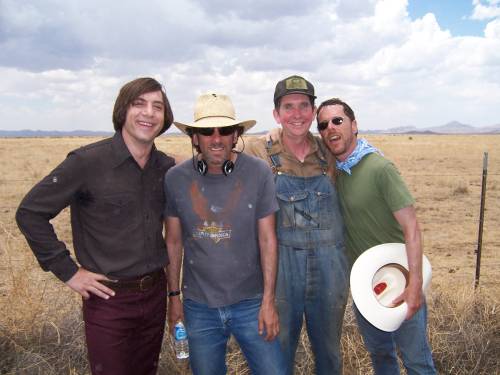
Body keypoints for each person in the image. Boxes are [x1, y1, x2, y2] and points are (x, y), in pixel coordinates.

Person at [16, 77, 175, 375]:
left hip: (154, 295)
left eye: (157, 106)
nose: (149, 113)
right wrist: (69, 272)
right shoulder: (86, 162)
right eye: (138, 104)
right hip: (108, 299)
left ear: (165, 118)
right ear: (122, 111)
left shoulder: (164, 168)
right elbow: (30, 213)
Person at [164, 93, 286, 375]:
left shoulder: (259, 172)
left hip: (251, 303)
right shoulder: (176, 178)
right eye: (207, 131)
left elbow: (268, 239)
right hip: (198, 308)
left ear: (236, 135)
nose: (216, 138)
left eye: (225, 130)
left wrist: (268, 301)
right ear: (194, 137)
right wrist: (174, 298)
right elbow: (173, 241)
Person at [316, 97, 436, 375]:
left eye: (338, 120)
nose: (331, 128)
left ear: (354, 124)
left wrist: (415, 284)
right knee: (381, 357)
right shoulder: (336, 172)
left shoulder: (380, 169)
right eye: (323, 125)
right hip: (365, 288)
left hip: (400, 279)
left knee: (417, 362)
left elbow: (412, 228)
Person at [246, 76, 349, 375]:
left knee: (329, 352)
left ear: (313, 110)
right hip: (281, 269)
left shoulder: (328, 150)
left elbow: (362, 160)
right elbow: (215, 152)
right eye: (288, 107)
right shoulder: (256, 150)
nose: (297, 114)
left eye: (304, 106)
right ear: (277, 114)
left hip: (330, 268)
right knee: (277, 350)